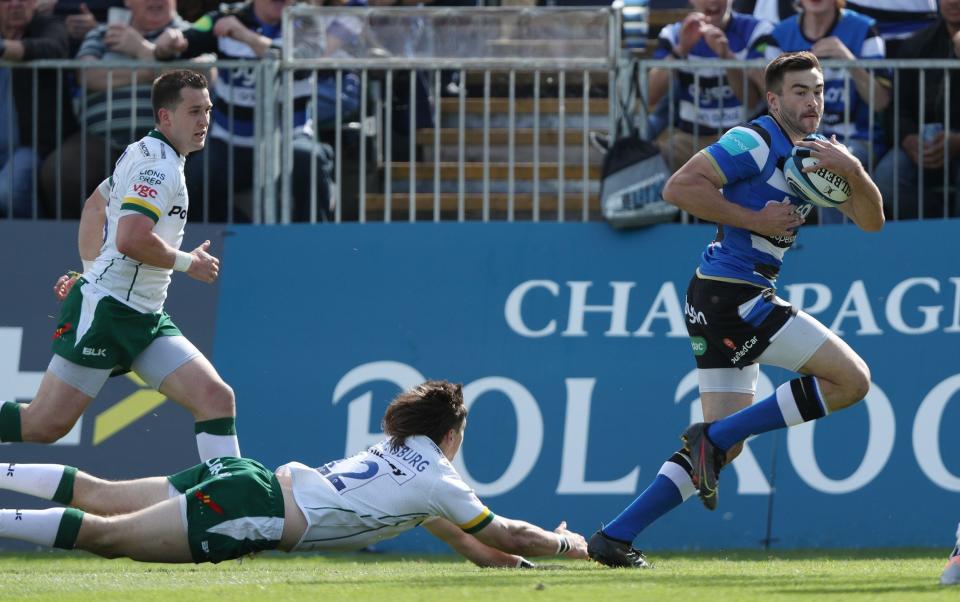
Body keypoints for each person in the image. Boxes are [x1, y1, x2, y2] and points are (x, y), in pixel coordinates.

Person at [587, 51, 884, 568]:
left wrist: (854, 169)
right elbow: (677, 187)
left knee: (727, 450)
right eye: (799, 91)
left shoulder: (819, 154)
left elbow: (872, 223)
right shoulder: (753, 139)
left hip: (720, 296)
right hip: (735, 293)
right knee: (852, 381)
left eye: (817, 90)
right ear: (773, 99)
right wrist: (755, 218)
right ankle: (714, 436)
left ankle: (614, 537)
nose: (812, 99)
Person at [0, 380, 588, 567]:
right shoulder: (435, 476)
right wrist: (569, 544)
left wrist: (501, 561)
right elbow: (502, 532)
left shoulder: (398, 454)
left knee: (102, 497)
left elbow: (472, 541)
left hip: (247, 477)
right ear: (452, 436)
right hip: (252, 511)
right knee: (104, 535)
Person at [0, 70, 241, 464]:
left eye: (208, 110)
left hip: (144, 317)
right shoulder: (159, 168)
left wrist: (88, 271)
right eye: (194, 111)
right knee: (43, 424)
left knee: (215, 398)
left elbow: (95, 206)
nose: (204, 121)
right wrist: (187, 263)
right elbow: (130, 238)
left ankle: (231, 502)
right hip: (110, 314)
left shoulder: (143, 151)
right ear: (165, 117)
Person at [154, 0, 348, 223]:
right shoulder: (227, 16)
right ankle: (232, 239)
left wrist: (245, 36)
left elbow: (299, 59)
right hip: (231, 143)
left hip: (291, 140)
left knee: (309, 160)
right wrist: (166, 45)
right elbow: (186, 40)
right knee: (196, 177)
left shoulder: (305, 19)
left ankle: (311, 244)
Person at [40, 0, 191, 219]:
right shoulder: (104, 33)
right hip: (101, 140)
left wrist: (140, 49)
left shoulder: (189, 33)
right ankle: (84, 242)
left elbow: (203, 76)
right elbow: (88, 75)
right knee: (63, 170)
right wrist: (156, 70)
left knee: (200, 176)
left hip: (169, 145)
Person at [758, 0, 890, 223]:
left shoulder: (865, 29)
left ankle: (838, 247)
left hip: (856, 139)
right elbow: (772, 102)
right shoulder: (779, 35)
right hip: (794, 140)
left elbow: (881, 101)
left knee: (829, 167)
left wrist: (849, 61)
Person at [648, 0, 772, 172]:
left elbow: (751, 100)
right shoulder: (673, 33)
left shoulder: (758, 30)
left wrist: (726, 57)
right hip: (689, 140)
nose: (713, 1)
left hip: (743, 139)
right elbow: (650, 95)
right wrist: (681, 49)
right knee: (649, 165)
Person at [873, 0, 960, 220]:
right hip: (925, 146)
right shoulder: (917, 45)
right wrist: (907, 138)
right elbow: (897, 108)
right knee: (886, 177)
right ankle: (938, 228)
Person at [0, 0, 78, 218]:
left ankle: (37, 239)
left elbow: (53, 47)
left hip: (32, 146)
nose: (15, 4)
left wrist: (7, 49)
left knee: (8, 192)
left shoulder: (49, 25)